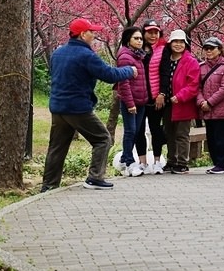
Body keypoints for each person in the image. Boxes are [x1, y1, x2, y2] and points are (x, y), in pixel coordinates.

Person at [41, 18, 139, 192]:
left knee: (57, 147)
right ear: (82, 34)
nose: (94, 35)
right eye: (91, 32)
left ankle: (49, 186)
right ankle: (94, 178)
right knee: (103, 139)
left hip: (58, 106)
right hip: (78, 107)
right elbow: (109, 75)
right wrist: (129, 70)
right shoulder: (86, 55)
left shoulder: (58, 53)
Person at [160, 29, 200, 174]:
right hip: (168, 103)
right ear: (170, 43)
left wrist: (180, 96)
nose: (178, 44)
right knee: (169, 132)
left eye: (181, 42)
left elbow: (193, 85)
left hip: (183, 103)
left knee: (182, 134)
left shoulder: (190, 61)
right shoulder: (166, 59)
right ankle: (171, 161)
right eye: (175, 41)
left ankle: (182, 162)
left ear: (186, 44)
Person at [116, 26, 150, 176]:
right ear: (128, 40)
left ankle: (125, 158)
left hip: (141, 101)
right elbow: (124, 83)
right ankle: (129, 162)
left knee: (135, 131)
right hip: (131, 102)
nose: (140, 41)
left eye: (141, 38)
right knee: (130, 132)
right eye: (136, 38)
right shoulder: (125, 57)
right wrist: (130, 104)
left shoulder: (138, 56)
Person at [197, 36, 224, 174]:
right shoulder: (201, 67)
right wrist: (201, 102)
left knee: (221, 139)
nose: (208, 51)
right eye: (206, 48)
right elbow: (197, 87)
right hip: (206, 110)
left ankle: (222, 164)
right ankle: (216, 164)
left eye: (212, 48)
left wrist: (210, 102)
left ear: (219, 50)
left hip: (221, 109)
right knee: (211, 138)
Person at [142, 19, 168, 174]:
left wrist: (162, 94)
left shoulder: (163, 49)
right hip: (140, 97)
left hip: (156, 97)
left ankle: (157, 161)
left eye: (155, 32)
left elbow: (165, 73)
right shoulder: (137, 48)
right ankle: (142, 162)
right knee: (138, 130)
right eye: (149, 32)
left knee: (155, 128)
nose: (153, 35)